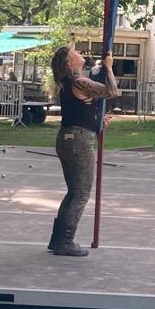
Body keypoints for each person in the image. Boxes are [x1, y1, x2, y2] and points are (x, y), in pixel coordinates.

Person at [47, 45, 120, 257]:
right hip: (78, 141)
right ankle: (65, 241)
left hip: (69, 137)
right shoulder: (78, 81)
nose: (80, 53)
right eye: (75, 53)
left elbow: (80, 110)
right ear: (69, 62)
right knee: (80, 194)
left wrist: (96, 122)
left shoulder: (72, 83)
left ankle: (58, 239)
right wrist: (109, 67)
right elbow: (111, 92)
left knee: (73, 193)